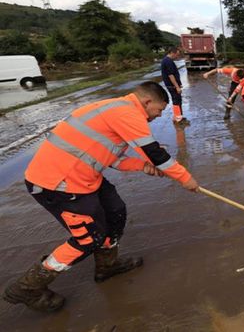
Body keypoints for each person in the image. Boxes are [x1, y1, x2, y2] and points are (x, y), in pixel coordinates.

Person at [3, 82, 200, 312]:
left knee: (115, 211)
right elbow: (155, 153)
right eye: (159, 110)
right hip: (58, 184)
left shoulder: (115, 111)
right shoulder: (127, 112)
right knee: (88, 239)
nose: (157, 116)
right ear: (146, 102)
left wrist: (142, 166)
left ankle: (107, 266)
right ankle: (28, 288)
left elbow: (112, 158)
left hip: (84, 177)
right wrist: (185, 178)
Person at [161, 47, 188, 125]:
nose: (177, 57)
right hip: (172, 86)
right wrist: (177, 86)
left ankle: (179, 117)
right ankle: (178, 119)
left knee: (177, 100)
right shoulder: (168, 61)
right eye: (177, 55)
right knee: (176, 101)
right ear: (173, 53)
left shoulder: (167, 60)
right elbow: (171, 75)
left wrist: (179, 84)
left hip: (172, 85)